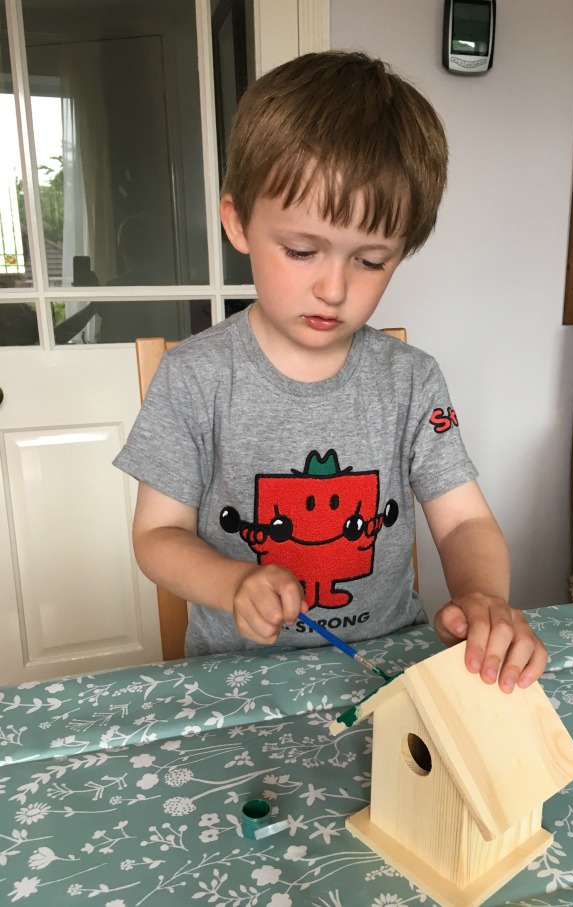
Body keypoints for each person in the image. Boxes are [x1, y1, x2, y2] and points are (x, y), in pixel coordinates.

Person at [114, 51, 547, 692]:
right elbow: (157, 535)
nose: (334, 288)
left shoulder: (411, 381)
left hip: (386, 671)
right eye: (301, 250)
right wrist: (233, 582)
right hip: (237, 680)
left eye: (371, 261)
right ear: (238, 223)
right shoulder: (194, 378)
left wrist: (484, 596)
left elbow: (463, 521)